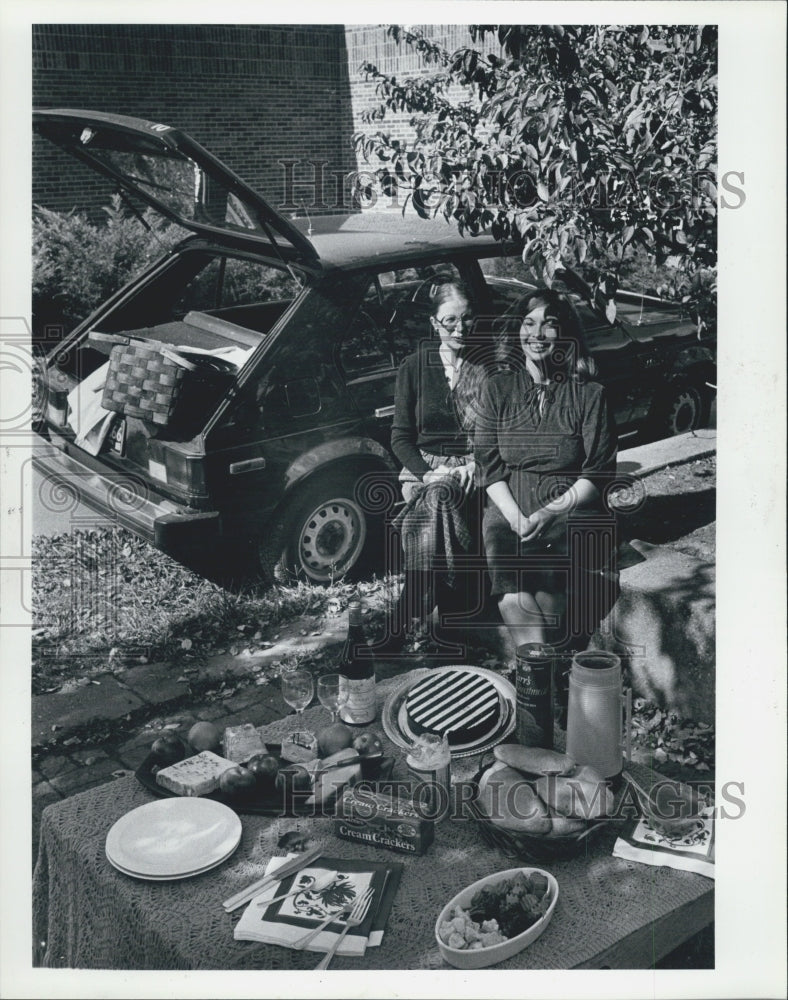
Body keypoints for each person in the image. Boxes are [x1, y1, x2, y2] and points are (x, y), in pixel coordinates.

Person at [474, 286, 618, 697]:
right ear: (518, 330)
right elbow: (488, 465)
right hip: (508, 506)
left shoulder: (589, 394)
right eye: (529, 322)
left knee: (546, 604)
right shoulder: (497, 387)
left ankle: (542, 688)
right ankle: (550, 693)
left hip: (568, 506)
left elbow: (598, 473)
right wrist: (518, 517)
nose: (537, 334)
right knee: (512, 597)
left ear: (565, 335)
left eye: (549, 324)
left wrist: (550, 512)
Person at [381, 278, 487, 653]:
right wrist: (429, 473)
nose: (461, 329)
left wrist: (476, 464)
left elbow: (500, 435)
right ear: (433, 323)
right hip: (423, 470)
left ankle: (412, 610)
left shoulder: (488, 367)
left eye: (468, 319)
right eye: (450, 321)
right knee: (439, 496)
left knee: (438, 502)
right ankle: (451, 616)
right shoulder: (414, 367)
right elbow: (400, 438)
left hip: (474, 471)